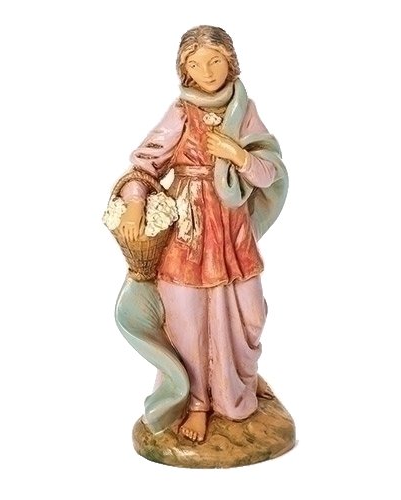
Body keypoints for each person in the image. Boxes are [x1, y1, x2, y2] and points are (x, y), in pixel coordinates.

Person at [118, 25, 286, 442]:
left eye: (215, 60)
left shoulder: (244, 110)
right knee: (187, 321)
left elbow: (270, 173)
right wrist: (135, 202)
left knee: (251, 314)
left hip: (232, 230)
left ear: (231, 61)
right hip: (188, 230)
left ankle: (242, 381)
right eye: (195, 64)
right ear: (184, 69)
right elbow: (143, 166)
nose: (207, 71)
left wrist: (238, 155)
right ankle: (196, 403)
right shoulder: (180, 112)